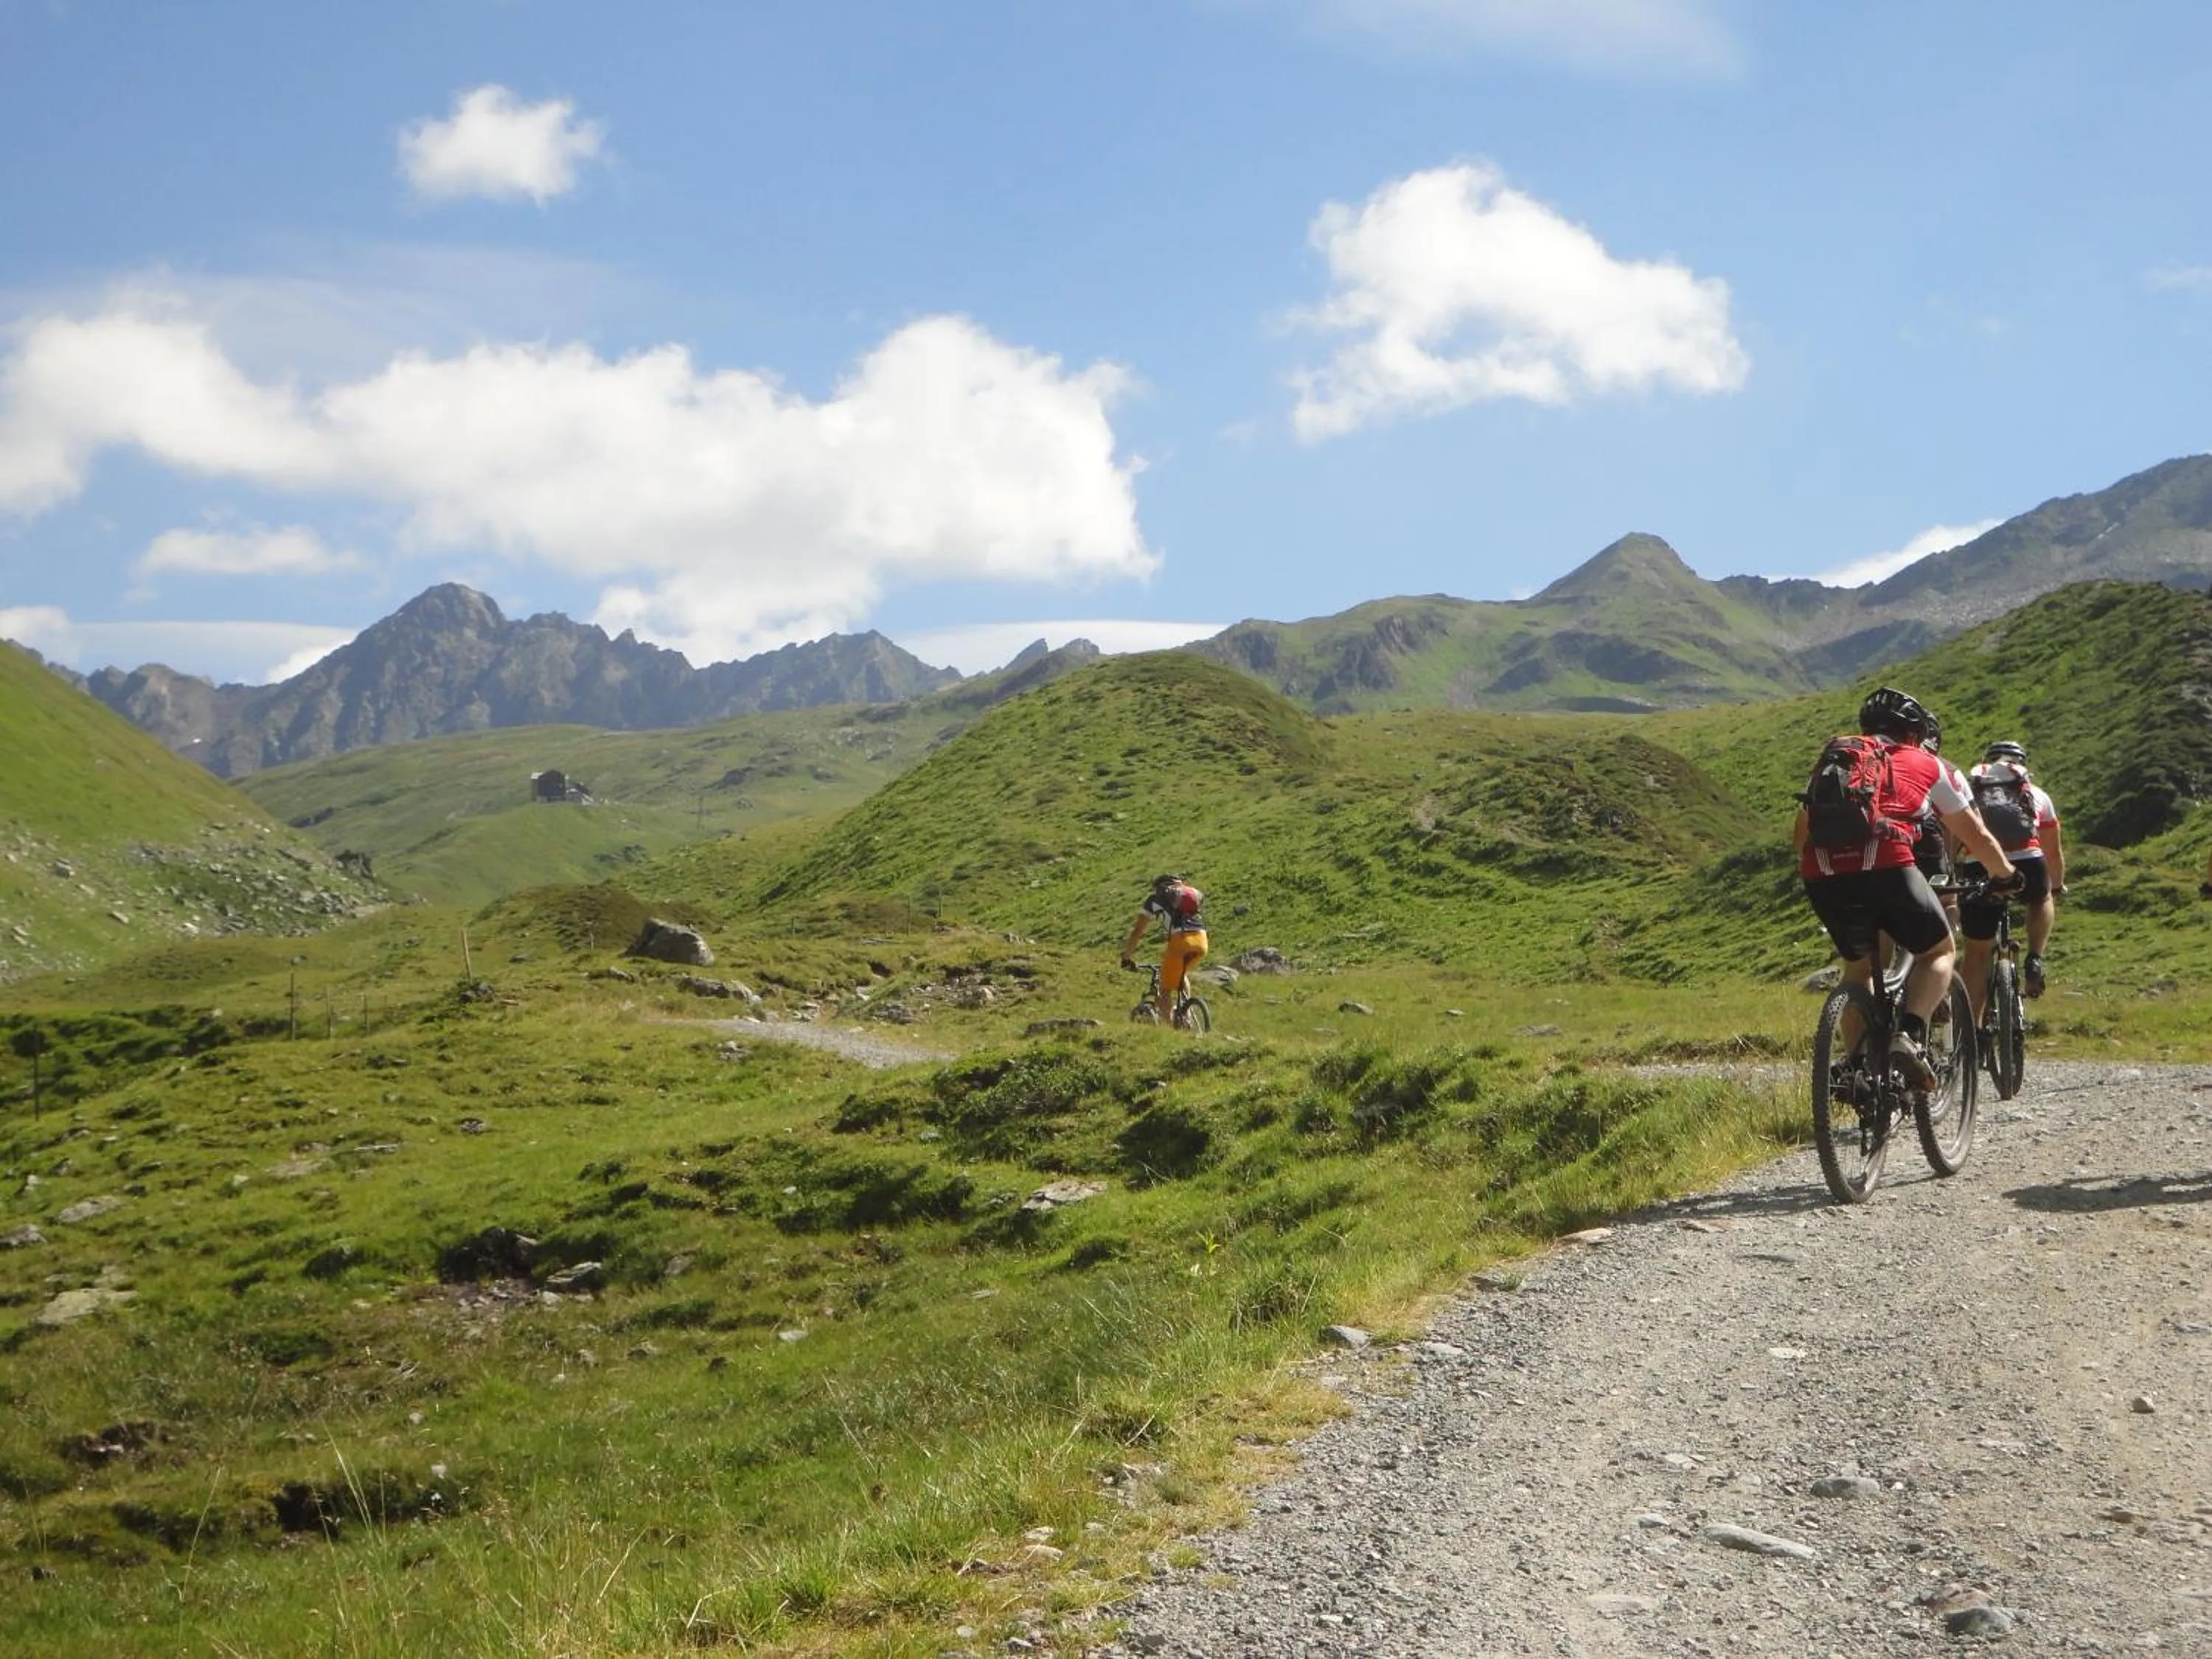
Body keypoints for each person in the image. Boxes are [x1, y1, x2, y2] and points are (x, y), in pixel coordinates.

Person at [1797, 688, 2020, 1088]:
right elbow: (1976, 834)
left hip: (1823, 874)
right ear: (1916, 733)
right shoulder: (1927, 763)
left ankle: (1856, 1068)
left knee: (1859, 970)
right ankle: (1911, 1035)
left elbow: (1802, 833)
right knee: (1940, 951)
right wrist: (2005, 874)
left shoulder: (1838, 757)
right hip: (1888, 865)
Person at [1958, 740, 2066, 1008]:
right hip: (2028, 860)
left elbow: (1954, 838)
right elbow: (2053, 852)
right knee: (2041, 898)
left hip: (1980, 862)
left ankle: (1973, 1028)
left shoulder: (1971, 794)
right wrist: (2055, 886)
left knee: (1977, 956)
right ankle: (2035, 957)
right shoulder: (2037, 794)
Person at [1121, 874, 1208, 1021]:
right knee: (1181, 975)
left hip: (1180, 941)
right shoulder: (1187, 899)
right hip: (1202, 940)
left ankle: (1171, 1028)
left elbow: (1137, 932)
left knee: (1164, 991)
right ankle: (1187, 1014)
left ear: (1159, 888)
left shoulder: (1154, 900)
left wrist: (1126, 958)